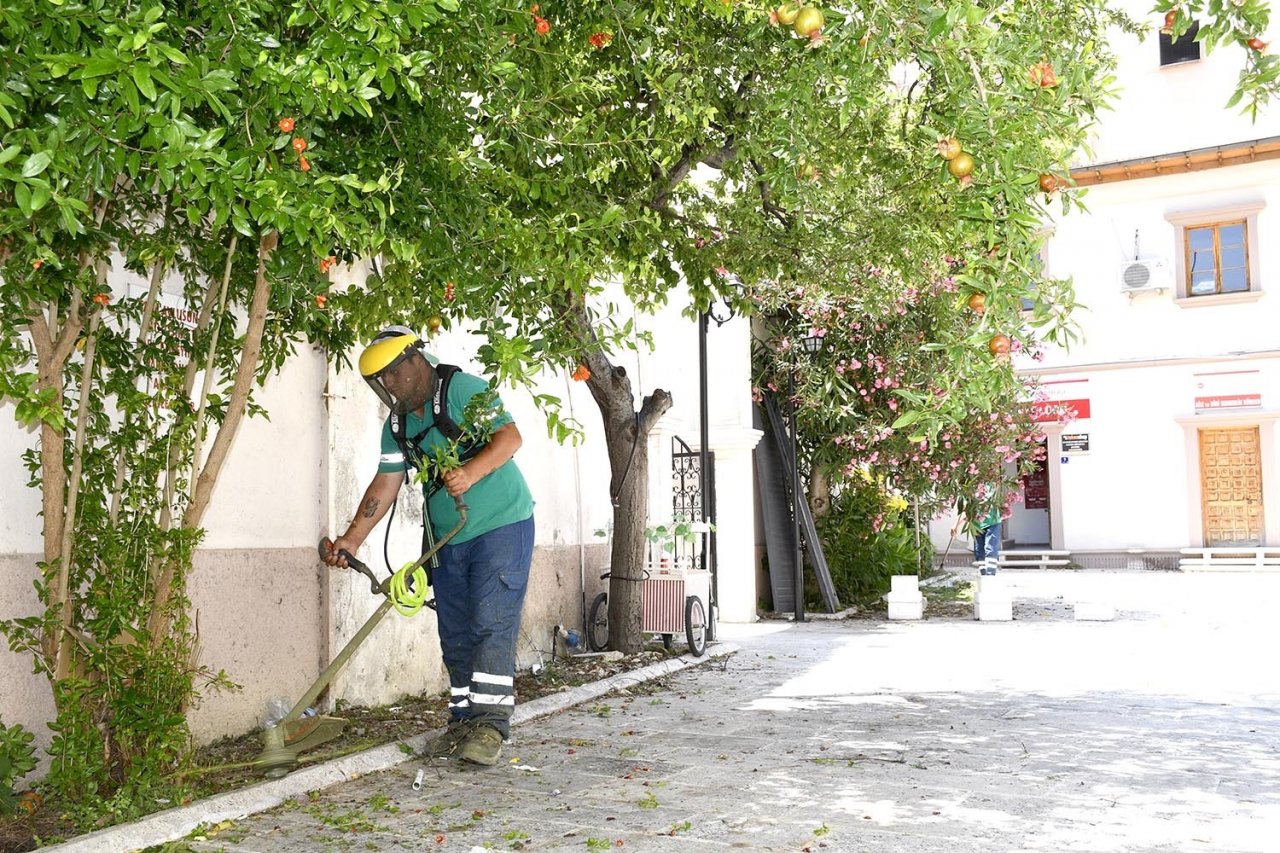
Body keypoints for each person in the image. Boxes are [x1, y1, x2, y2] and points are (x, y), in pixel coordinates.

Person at [322, 325, 535, 766]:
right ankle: (462, 723)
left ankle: (491, 727)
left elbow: (510, 438)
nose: (390, 385)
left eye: (395, 374)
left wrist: (471, 473)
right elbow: (386, 481)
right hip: (447, 539)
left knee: (489, 623)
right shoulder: (397, 424)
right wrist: (351, 540)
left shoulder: (463, 389)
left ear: (417, 362)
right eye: (382, 380)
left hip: (501, 525)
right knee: (455, 631)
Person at [973, 502, 1002, 576]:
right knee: (979, 551)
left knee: (990, 548)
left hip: (993, 522)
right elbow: (965, 509)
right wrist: (956, 526)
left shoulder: (993, 490)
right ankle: (983, 573)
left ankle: (990, 574)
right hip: (977, 525)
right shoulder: (970, 492)